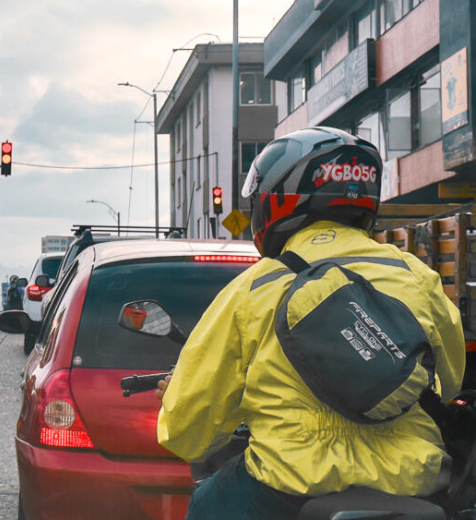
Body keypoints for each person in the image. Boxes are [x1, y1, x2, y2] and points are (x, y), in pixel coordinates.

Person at [154, 127, 465, 519]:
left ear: (277, 202)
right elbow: (448, 379)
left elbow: (186, 432)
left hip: (291, 490)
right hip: (415, 485)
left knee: (205, 504)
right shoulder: (416, 276)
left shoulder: (255, 288)